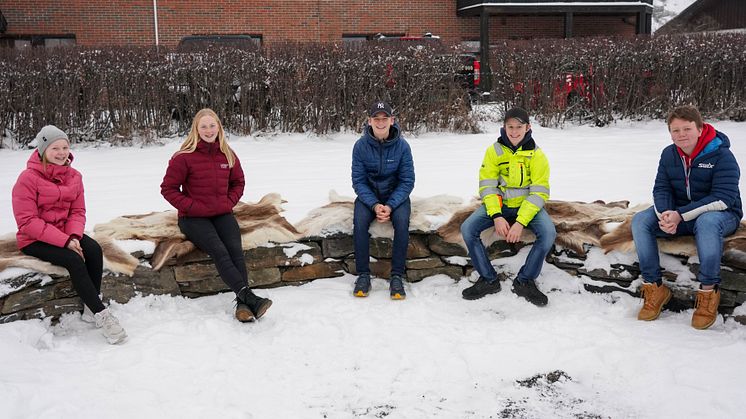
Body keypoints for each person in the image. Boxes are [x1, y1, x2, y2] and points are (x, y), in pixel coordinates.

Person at [12, 125, 127, 344]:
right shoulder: (27, 179)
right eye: (55, 148)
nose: (62, 152)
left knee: (93, 249)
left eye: (65, 147)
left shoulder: (74, 176)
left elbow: (78, 211)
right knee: (74, 259)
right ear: (43, 150)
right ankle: (103, 316)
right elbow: (27, 221)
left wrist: (73, 236)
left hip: (66, 232)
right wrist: (65, 241)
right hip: (33, 239)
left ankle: (90, 309)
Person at [632, 105, 742, 330]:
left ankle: (708, 292)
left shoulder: (722, 155)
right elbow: (662, 188)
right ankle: (654, 287)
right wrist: (666, 215)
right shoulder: (669, 154)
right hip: (680, 213)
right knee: (641, 221)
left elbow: (723, 198)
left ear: (700, 129)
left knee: (707, 222)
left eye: (687, 128)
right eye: (675, 130)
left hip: (721, 214)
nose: (681, 135)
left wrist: (680, 215)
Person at [161, 108, 271, 322]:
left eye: (212, 125)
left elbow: (238, 182)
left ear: (219, 127)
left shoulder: (227, 153)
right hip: (192, 218)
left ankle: (243, 305)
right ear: (196, 129)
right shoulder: (183, 157)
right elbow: (168, 189)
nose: (209, 130)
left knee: (235, 251)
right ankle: (248, 296)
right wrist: (192, 206)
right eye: (204, 126)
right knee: (220, 251)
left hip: (222, 213)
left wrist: (228, 202)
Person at [460, 107, 556, 306]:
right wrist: (496, 215)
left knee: (548, 233)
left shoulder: (537, 155)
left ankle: (525, 280)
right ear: (504, 127)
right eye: (510, 126)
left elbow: (539, 192)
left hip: (527, 207)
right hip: (500, 205)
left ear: (528, 127)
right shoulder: (493, 151)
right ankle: (488, 279)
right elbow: (487, 186)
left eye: (519, 127)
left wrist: (520, 222)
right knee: (468, 228)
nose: (514, 131)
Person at [351, 101, 415, 299]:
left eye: (384, 118)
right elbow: (358, 181)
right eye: (376, 118)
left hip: (396, 196)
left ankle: (396, 276)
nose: (381, 122)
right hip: (369, 197)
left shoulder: (402, 147)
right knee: (360, 222)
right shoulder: (360, 146)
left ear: (392, 120)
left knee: (402, 222)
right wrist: (374, 204)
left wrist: (390, 205)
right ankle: (363, 274)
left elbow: (407, 181)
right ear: (369, 121)